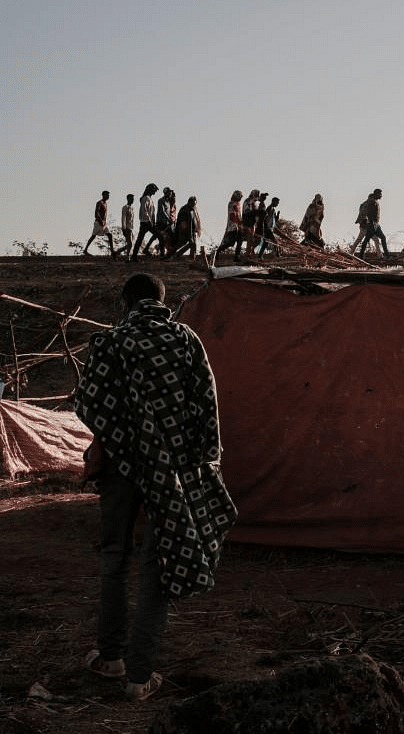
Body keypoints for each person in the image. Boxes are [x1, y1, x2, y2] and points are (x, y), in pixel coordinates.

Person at [75, 273, 237, 702]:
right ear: (163, 302)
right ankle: (139, 677)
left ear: (127, 301)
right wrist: (201, 463)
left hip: (120, 469)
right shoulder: (186, 341)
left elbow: (87, 402)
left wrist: (122, 438)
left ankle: (111, 658)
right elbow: (208, 406)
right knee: (158, 565)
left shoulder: (110, 342)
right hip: (172, 474)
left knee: (114, 558)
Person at [129, 183, 159, 261]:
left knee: (141, 238)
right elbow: (144, 211)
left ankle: (137, 254)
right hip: (145, 222)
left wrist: (153, 222)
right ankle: (135, 256)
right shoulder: (145, 198)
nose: (155, 192)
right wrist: (149, 221)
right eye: (154, 190)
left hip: (149, 222)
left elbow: (152, 213)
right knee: (142, 238)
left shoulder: (150, 199)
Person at [357, 188, 389, 258]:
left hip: (376, 224)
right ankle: (361, 255)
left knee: (382, 237)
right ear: (376, 194)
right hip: (372, 224)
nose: (381, 195)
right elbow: (369, 213)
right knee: (366, 240)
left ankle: (386, 255)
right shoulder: (372, 202)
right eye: (380, 194)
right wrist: (371, 223)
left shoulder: (375, 201)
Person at [214, 190, 245, 262]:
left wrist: (241, 224)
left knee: (240, 240)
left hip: (239, 226)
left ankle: (237, 256)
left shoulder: (238, 204)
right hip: (232, 226)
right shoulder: (231, 204)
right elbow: (232, 216)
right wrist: (238, 222)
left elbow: (239, 215)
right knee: (231, 243)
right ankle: (218, 251)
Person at [84, 191, 116, 257]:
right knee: (93, 236)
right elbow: (96, 213)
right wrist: (100, 221)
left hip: (104, 223)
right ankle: (85, 250)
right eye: (107, 195)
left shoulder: (106, 203)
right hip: (98, 223)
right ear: (103, 195)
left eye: (108, 195)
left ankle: (112, 251)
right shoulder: (99, 203)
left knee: (110, 235)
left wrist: (104, 222)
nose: (108, 196)